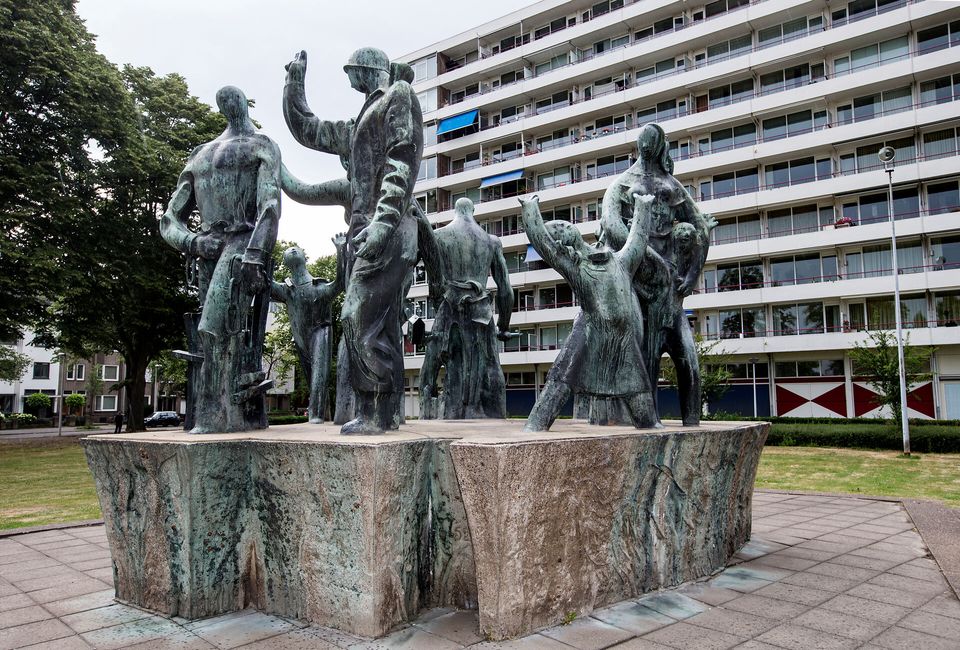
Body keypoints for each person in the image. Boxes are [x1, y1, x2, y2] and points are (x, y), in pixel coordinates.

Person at [282, 48, 423, 434]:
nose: (348, 80)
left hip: (385, 228)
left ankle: (374, 412)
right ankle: (388, 412)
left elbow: (401, 161)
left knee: (356, 316)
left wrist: (384, 221)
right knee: (382, 325)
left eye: (350, 73)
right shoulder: (360, 119)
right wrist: (294, 84)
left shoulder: (397, 96)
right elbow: (308, 129)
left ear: (364, 70)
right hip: (370, 229)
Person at [160, 86, 280, 433]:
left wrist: (255, 254)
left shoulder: (261, 145)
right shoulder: (200, 153)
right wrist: (194, 242)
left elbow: (269, 206)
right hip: (208, 247)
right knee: (218, 337)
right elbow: (169, 218)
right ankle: (233, 413)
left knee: (213, 328)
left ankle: (214, 417)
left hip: (241, 242)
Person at [601, 123, 716, 425]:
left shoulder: (670, 185)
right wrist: (653, 257)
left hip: (669, 291)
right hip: (636, 285)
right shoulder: (622, 185)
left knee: (688, 362)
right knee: (645, 359)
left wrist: (691, 277)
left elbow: (700, 228)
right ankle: (647, 421)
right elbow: (611, 228)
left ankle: (690, 424)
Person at [518, 194, 657, 432]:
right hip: (589, 331)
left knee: (638, 390)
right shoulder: (575, 266)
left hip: (623, 337)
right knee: (561, 379)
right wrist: (531, 211)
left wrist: (643, 207)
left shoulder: (621, 260)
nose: (563, 226)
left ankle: (649, 425)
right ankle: (536, 424)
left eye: (561, 224)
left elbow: (638, 240)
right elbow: (542, 243)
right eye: (558, 230)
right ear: (562, 244)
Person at [417, 198, 514, 419]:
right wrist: (504, 325)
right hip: (481, 312)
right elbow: (505, 289)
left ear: (455, 211)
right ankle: (494, 415)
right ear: (473, 210)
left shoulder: (439, 236)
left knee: (435, 365)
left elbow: (430, 275)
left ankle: (433, 414)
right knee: (490, 364)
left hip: (449, 308)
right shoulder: (491, 241)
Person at [271, 234, 347, 423]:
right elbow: (266, 283)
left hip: (321, 330)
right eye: (289, 250)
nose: (293, 249)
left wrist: (341, 250)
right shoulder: (288, 290)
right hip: (300, 337)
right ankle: (323, 412)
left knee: (319, 373)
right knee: (312, 374)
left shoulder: (319, 287)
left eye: (296, 249)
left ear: (304, 258)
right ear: (286, 261)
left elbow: (340, 283)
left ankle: (316, 415)